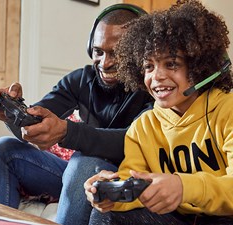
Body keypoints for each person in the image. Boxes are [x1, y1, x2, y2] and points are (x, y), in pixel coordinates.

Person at [0, 4, 153, 225]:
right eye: (98, 51)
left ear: (141, 53)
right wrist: (12, 113)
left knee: (83, 161)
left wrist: (67, 132)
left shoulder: (154, 85)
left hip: (124, 180)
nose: (105, 62)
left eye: (117, 54)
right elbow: (37, 124)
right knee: (1, 150)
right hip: (78, 177)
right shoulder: (81, 79)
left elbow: (134, 141)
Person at [84, 0, 233, 224]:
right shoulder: (143, 127)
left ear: (200, 67)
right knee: (106, 215)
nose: (157, 76)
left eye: (171, 64)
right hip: (176, 219)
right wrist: (111, 193)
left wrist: (184, 187)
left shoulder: (227, 111)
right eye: (148, 66)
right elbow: (134, 181)